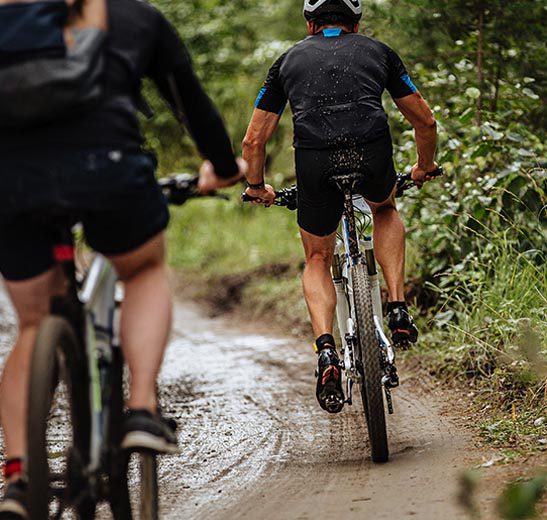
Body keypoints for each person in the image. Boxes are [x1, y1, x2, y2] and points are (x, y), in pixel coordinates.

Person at [0, 0, 244, 516]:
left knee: (31, 324)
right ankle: (141, 410)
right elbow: (190, 102)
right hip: (107, 166)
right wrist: (222, 165)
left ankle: (20, 479)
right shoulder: (135, 18)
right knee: (144, 269)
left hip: (12, 183)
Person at [242, 0, 438, 414]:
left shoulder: (287, 61)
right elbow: (425, 122)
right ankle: (398, 305)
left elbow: (253, 142)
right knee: (383, 209)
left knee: (317, 255)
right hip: (371, 152)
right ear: (356, 22)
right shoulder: (378, 52)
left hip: (314, 161)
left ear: (311, 24)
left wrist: (258, 187)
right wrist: (423, 167)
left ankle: (327, 351)